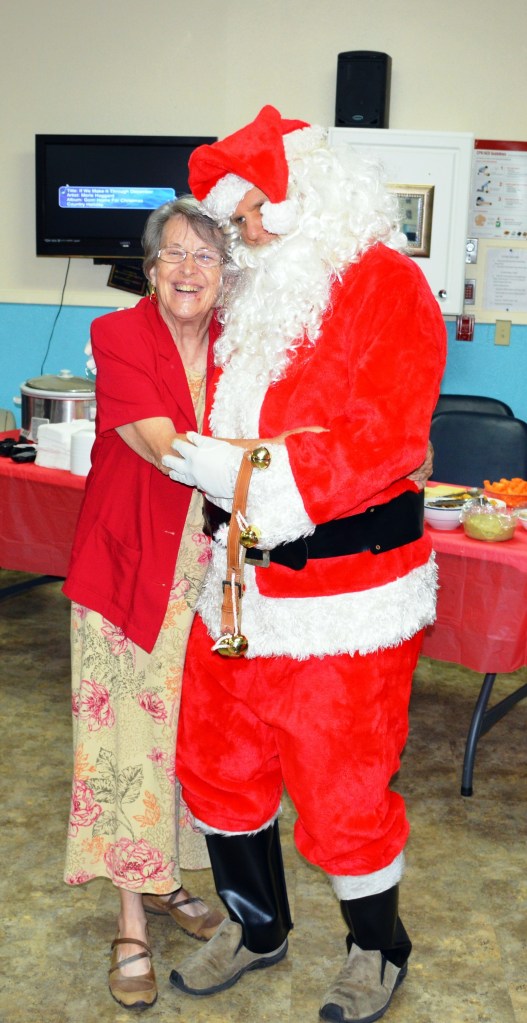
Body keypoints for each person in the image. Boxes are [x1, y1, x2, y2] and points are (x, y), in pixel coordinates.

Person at [162, 106, 447, 1023]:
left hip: (348, 596)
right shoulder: (256, 290)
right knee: (216, 760)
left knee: (342, 784)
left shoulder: (385, 286)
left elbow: (385, 435)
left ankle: (377, 947)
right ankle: (255, 925)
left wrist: (243, 470)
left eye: (248, 216)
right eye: (233, 220)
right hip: (238, 587)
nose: (237, 237)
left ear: (308, 201)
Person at [62, 196, 231, 1011]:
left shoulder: (240, 345)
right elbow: (166, 450)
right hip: (130, 571)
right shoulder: (119, 336)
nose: (188, 269)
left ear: (227, 273)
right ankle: (130, 915)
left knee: (186, 738)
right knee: (127, 737)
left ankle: (163, 879)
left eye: (205, 254)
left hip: (209, 577)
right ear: (150, 267)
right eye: (173, 254)